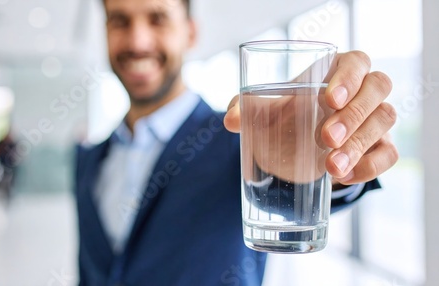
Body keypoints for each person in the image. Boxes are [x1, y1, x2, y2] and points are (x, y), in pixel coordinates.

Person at [74, 0, 398, 285]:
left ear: (190, 33)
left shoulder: (240, 139)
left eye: (158, 17)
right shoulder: (88, 159)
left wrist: (326, 168)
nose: (137, 40)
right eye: (120, 21)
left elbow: (275, 183)